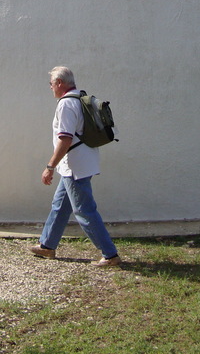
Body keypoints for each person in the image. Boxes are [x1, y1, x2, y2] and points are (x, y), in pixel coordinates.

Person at [29, 66, 121, 267]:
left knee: (84, 210)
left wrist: (49, 166)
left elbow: (65, 139)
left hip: (75, 165)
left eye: (51, 84)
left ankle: (110, 254)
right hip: (79, 161)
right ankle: (47, 245)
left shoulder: (66, 104)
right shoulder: (80, 98)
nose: (51, 88)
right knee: (60, 205)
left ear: (60, 83)